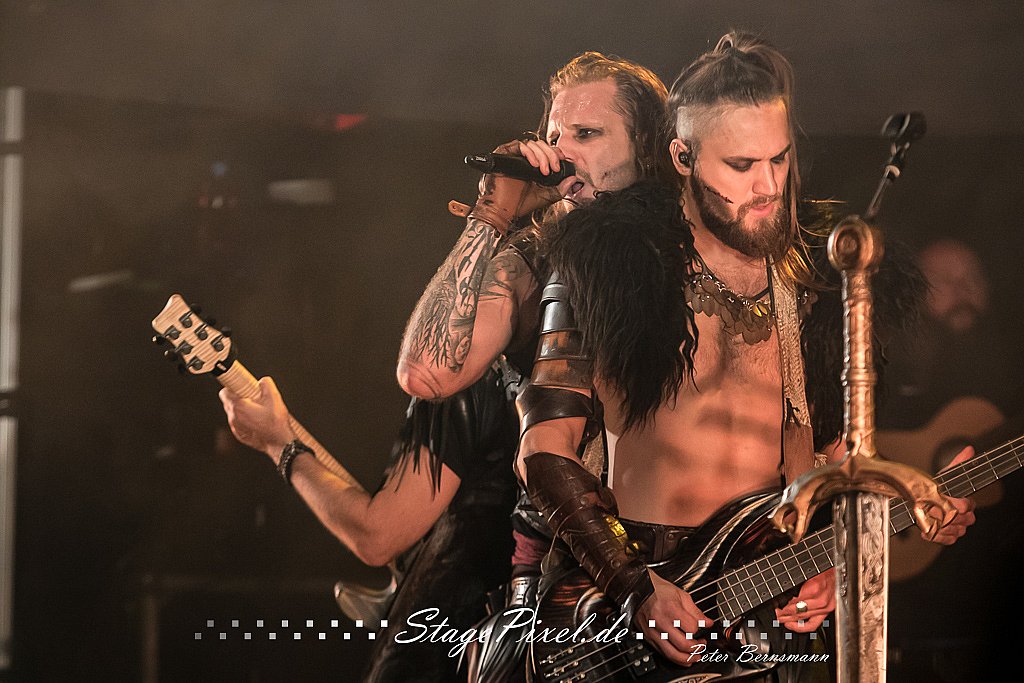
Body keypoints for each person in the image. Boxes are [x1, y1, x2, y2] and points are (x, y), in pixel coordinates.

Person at [513, 32, 978, 682]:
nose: (767, 186)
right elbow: (543, 451)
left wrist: (830, 561)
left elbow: (828, 462)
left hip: (761, 620)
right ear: (682, 155)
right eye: (740, 165)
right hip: (630, 605)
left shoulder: (818, 287)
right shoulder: (606, 268)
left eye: (779, 160)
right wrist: (633, 584)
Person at [219, 363, 522, 682]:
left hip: (454, 654)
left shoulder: (460, 379)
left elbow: (377, 538)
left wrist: (280, 446)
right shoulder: (547, 374)